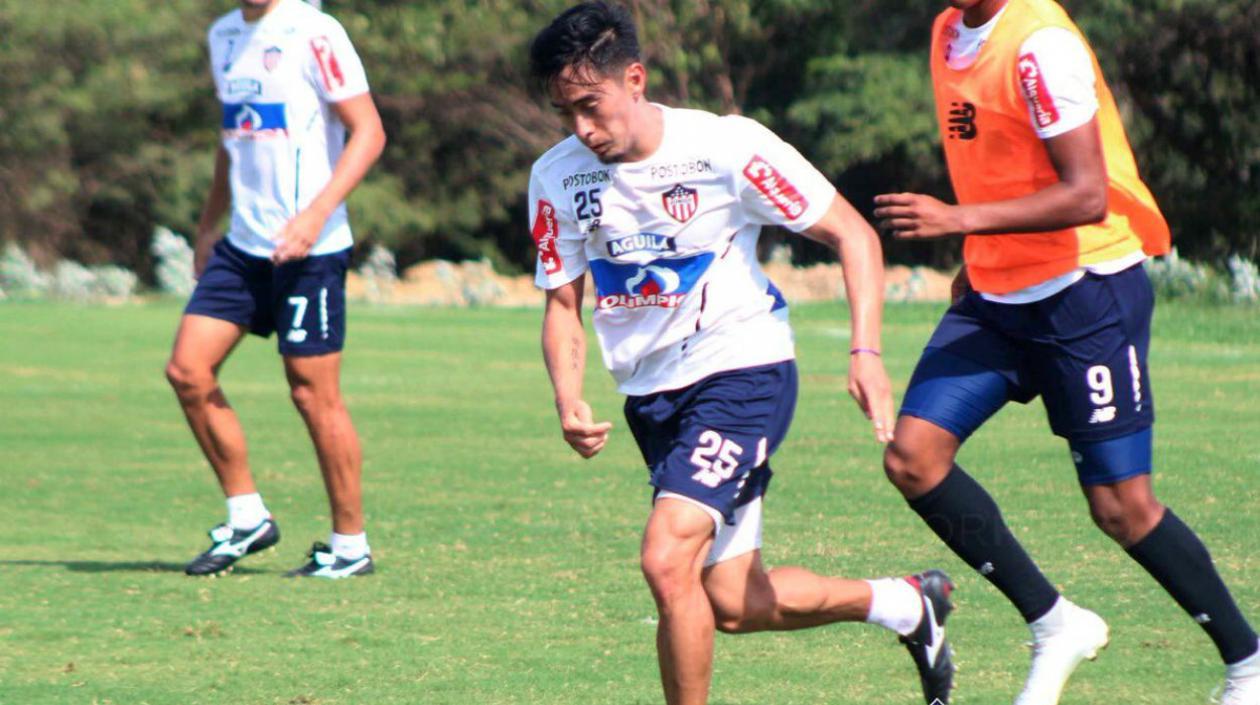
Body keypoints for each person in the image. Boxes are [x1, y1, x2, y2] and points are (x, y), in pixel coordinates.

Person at [527, 3, 956, 704]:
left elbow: (855, 236)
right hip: (653, 396)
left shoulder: (725, 148)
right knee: (732, 600)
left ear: (634, 79)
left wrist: (866, 350)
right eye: (565, 112)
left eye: (590, 105)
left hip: (742, 370)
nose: (580, 127)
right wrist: (567, 394)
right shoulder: (557, 177)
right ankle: (908, 603)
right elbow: (562, 304)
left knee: (667, 560)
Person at [874, 0, 1260, 702]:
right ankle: (1057, 622)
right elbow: (997, 162)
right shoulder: (946, 31)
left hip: (1086, 295)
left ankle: (1249, 660)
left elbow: (1085, 194)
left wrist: (959, 222)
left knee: (1121, 507)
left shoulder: (1040, 45)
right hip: (999, 296)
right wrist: (979, 250)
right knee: (913, 458)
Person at [165, 0, 385, 579]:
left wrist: (314, 216)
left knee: (312, 395)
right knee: (188, 370)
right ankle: (247, 517)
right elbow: (231, 137)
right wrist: (209, 224)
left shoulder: (315, 32)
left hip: (311, 248)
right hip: (242, 246)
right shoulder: (224, 36)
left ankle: (349, 546)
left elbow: (369, 132)